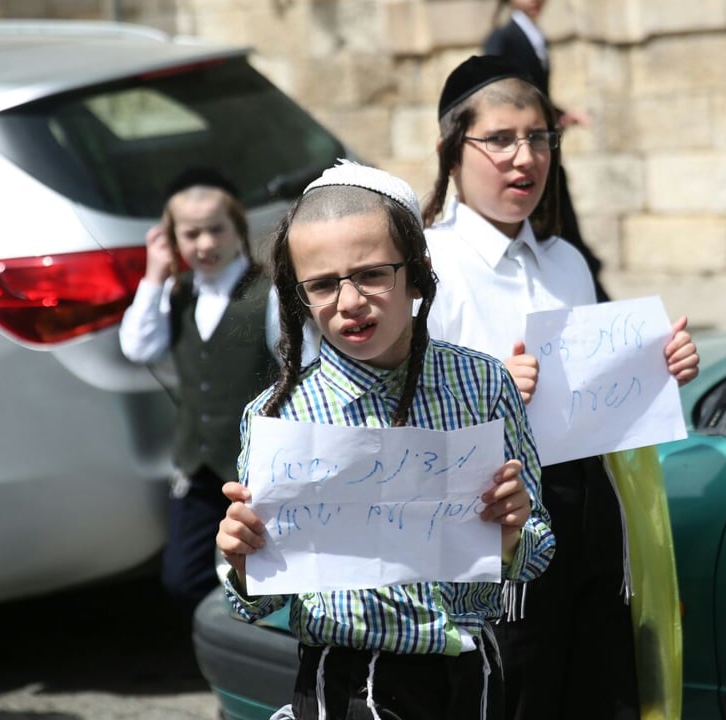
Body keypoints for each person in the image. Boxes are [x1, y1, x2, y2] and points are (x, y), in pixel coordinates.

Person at [215, 160, 556, 720]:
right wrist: (243, 558)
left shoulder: (482, 385)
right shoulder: (281, 416)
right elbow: (258, 599)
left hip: (471, 674)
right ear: (298, 297)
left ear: (417, 276)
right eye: (323, 284)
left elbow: (537, 552)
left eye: (373, 274)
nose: (350, 301)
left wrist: (514, 530)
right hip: (346, 681)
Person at [423, 54, 700, 720]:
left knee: (601, 687)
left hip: (588, 511)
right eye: (500, 139)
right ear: (451, 152)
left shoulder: (567, 261)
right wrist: (490, 391)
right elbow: (402, 406)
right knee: (518, 690)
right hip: (496, 521)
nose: (525, 158)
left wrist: (660, 366)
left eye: (540, 138)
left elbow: (595, 391)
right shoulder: (429, 265)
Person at [119, 167, 279, 612]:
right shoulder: (177, 294)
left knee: (267, 573)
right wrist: (154, 275)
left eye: (216, 230)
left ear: (237, 229)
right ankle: (222, 629)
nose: (205, 244)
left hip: (254, 468)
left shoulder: (265, 293)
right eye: (191, 234)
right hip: (199, 465)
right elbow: (137, 346)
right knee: (183, 576)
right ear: (171, 238)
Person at [483, 0, 610, 302]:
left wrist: (559, 115)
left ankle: (593, 297)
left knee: (562, 226)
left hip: (546, 146)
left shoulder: (536, 37)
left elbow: (533, 94)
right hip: (531, 150)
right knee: (553, 227)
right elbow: (500, 92)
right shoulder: (504, 37)